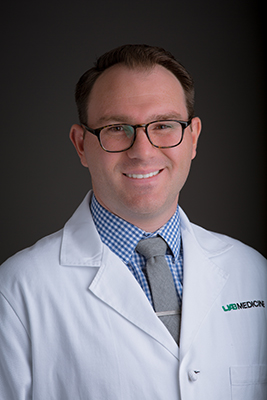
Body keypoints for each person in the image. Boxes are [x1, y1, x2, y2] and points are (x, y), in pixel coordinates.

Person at [0, 44, 266, 400]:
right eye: (117, 128)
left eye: (164, 125)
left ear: (193, 138)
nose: (142, 150)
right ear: (81, 145)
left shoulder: (253, 272)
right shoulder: (16, 292)